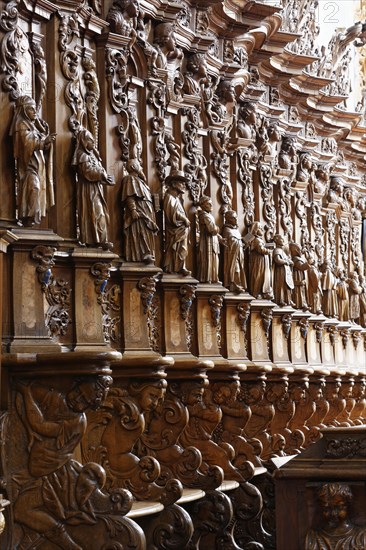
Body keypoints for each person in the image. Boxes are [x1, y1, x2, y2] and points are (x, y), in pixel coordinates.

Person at [13, 376, 112, 550]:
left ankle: (69, 546)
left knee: (21, 509)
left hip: (53, 476)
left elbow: (40, 425)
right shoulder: (58, 398)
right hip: (38, 470)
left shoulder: (77, 422)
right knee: (22, 507)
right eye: (78, 392)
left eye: (84, 401)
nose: (77, 399)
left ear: (90, 407)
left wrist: (27, 393)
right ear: (75, 385)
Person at [10, 95, 56, 226]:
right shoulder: (20, 124)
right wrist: (43, 141)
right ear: (23, 110)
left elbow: (38, 141)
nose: (34, 112)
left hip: (36, 166)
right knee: (33, 188)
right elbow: (26, 142)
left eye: (35, 109)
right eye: (31, 109)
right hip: (28, 167)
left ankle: (32, 218)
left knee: (36, 189)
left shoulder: (32, 125)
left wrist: (46, 142)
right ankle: (28, 217)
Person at [72, 128, 115, 248]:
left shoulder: (93, 155)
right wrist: (102, 174)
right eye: (90, 140)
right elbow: (88, 172)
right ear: (84, 141)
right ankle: (94, 240)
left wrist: (106, 178)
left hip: (95, 188)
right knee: (96, 213)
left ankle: (99, 239)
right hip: (88, 190)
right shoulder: (82, 155)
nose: (93, 142)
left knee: (100, 214)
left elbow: (98, 171)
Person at [305, 482, 366, 549]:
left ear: (348, 505)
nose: (333, 514)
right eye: (327, 509)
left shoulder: (361, 536)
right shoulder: (313, 537)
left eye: (339, 507)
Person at [121, 159, 159, 263]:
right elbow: (130, 196)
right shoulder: (130, 179)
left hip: (146, 214)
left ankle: (147, 253)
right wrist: (133, 210)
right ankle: (141, 255)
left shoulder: (141, 181)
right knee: (140, 233)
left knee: (146, 234)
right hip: (139, 213)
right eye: (139, 166)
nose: (142, 168)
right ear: (133, 167)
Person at [163, 170, 191, 276]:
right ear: (174, 184)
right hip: (175, 230)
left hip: (181, 230)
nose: (184, 185)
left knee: (182, 248)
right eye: (181, 183)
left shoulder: (177, 199)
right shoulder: (169, 197)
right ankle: (174, 267)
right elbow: (172, 214)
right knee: (176, 248)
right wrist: (184, 219)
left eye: (184, 183)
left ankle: (180, 266)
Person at [197, 195, 225, 284]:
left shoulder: (209, 216)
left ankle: (214, 278)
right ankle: (207, 278)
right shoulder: (204, 216)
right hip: (207, 241)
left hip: (213, 241)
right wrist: (217, 228)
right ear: (203, 205)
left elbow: (214, 231)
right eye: (209, 204)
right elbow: (212, 229)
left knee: (214, 259)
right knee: (208, 260)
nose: (211, 206)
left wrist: (220, 238)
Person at [222, 209, 247, 292]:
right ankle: (233, 284)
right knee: (235, 269)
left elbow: (239, 241)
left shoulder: (236, 230)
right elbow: (230, 241)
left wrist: (245, 241)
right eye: (233, 218)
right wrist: (238, 241)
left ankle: (239, 284)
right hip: (232, 254)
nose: (236, 220)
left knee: (240, 268)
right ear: (228, 219)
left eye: (236, 218)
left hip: (239, 253)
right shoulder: (226, 230)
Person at [249, 222, 273, 299]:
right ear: (255, 230)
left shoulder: (259, 239)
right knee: (258, 275)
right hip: (258, 261)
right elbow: (261, 250)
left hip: (262, 260)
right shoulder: (256, 240)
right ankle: (255, 292)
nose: (262, 229)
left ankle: (262, 291)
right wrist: (269, 251)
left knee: (262, 276)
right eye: (260, 228)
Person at [272, 234, 294, 307]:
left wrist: (290, 261)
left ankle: (287, 300)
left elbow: (286, 259)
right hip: (280, 271)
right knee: (281, 285)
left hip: (286, 271)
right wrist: (286, 262)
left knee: (286, 285)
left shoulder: (282, 251)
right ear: (276, 240)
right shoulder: (277, 250)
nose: (283, 240)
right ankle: (280, 300)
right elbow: (277, 260)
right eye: (281, 239)